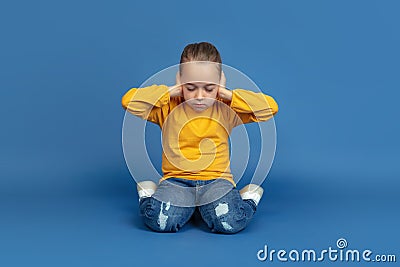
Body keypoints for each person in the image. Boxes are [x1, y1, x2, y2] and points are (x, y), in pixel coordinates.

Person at [121, 42, 279, 234]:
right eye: (191, 87)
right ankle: (148, 195)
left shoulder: (225, 108)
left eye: (209, 89)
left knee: (229, 222)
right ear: (179, 80)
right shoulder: (168, 107)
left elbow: (270, 108)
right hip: (177, 182)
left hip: (216, 182)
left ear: (220, 82)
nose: (199, 96)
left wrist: (227, 94)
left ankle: (248, 198)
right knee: (160, 221)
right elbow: (128, 102)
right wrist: (170, 91)